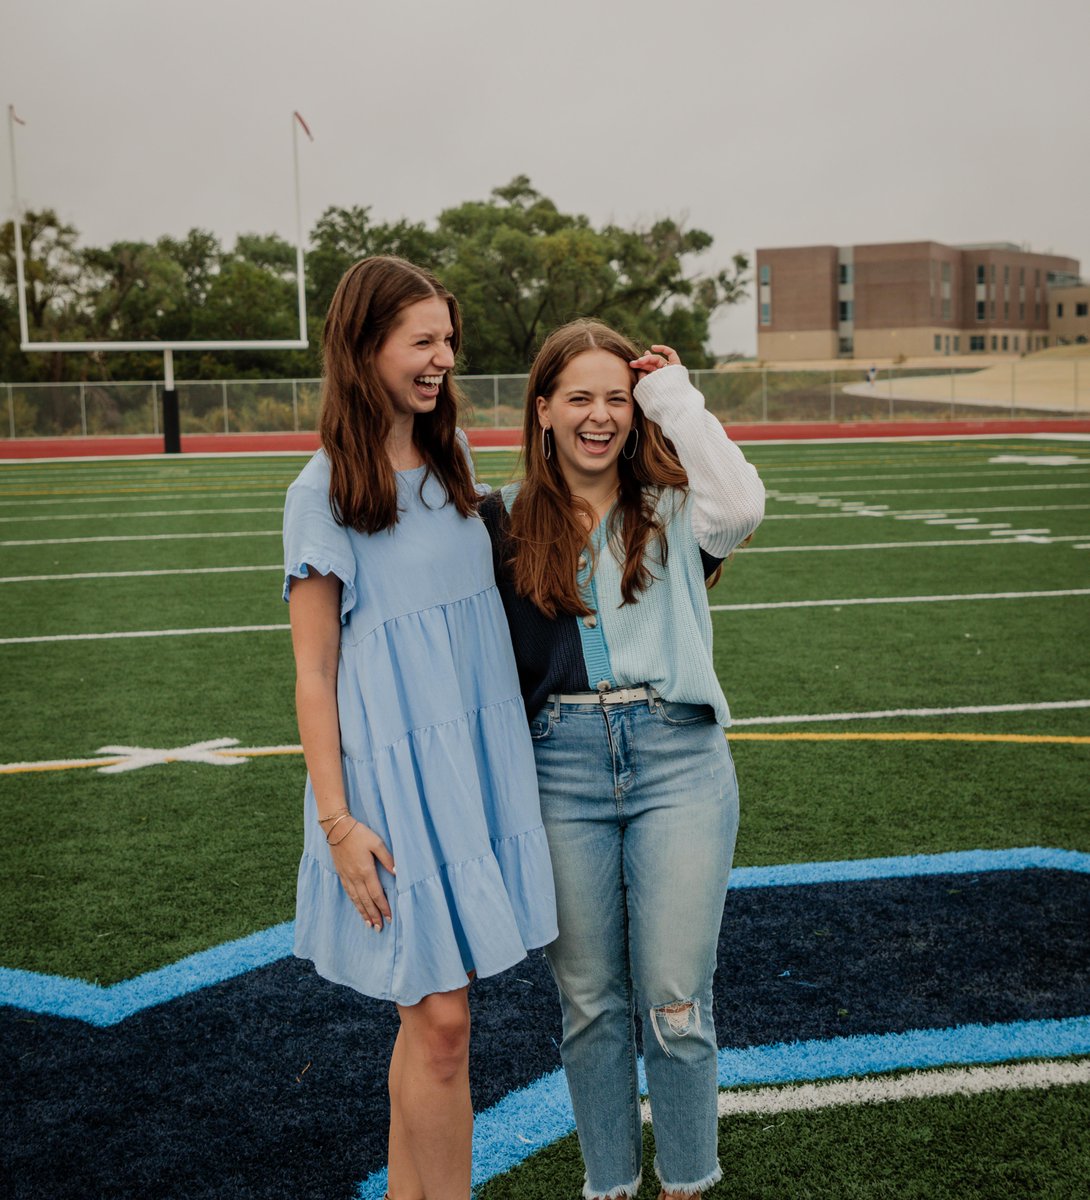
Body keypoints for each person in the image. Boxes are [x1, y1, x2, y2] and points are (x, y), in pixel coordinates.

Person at [282, 256, 557, 1200]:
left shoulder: (455, 460)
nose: (443, 359)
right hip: (390, 790)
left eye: (448, 341)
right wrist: (337, 822)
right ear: (365, 349)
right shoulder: (321, 493)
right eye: (422, 342)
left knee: (432, 1026)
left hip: (471, 765)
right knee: (441, 1023)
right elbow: (314, 673)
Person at [480, 320, 765, 1200]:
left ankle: (686, 1184)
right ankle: (609, 1186)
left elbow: (743, 506)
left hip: (678, 760)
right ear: (543, 410)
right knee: (591, 1007)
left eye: (616, 398)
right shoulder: (500, 520)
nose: (599, 416)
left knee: (675, 1001)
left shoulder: (675, 508)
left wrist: (673, 395)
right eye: (579, 398)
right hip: (558, 769)